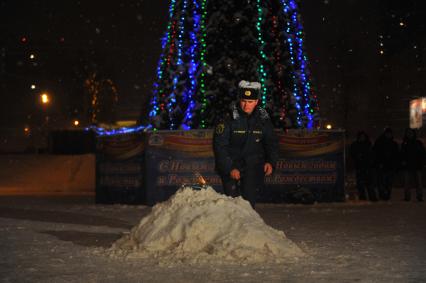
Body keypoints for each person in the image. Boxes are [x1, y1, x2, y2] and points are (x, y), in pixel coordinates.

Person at [213, 80, 278, 208]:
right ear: (239, 100)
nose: (246, 105)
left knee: (248, 206)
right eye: (243, 101)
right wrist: (230, 168)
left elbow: (271, 143)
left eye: (250, 102)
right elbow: (220, 146)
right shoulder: (228, 117)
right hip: (231, 167)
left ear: (256, 102)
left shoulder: (263, 119)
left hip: (253, 168)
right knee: (232, 207)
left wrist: (271, 161)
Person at [372, 127, 399, 201]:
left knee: (388, 182)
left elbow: (396, 155)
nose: (389, 135)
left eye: (390, 134)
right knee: (382, 182)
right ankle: (383, 194)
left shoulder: (393, 144)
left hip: (389, 166)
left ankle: (386, 195)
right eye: (388, 133)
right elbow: (376, 154)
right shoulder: (380, 142)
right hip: (382, 165)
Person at [350, 131, 377, 201]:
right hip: (360, 166)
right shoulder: (355, 145)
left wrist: (371, 161)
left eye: (363, 137)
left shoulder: (368, 144)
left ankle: (372, 197)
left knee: (369, 183)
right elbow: (352, 154)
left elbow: (372, 154)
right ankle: (362, 197)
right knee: (360, 184)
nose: (362, 138)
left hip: (368, 166)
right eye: (361, 137)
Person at [400, 128, 425, 202]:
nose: (409, 134)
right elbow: (402, 154)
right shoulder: (404, 143)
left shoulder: (417, 143)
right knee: (407, 183)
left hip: (417, 166)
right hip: (408, 166)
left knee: (418, 183)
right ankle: (408, 197)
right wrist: (403, 161)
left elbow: (422, 153)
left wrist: (421, 162)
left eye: (410, 133)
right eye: (408, 133)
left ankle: (419, 196)